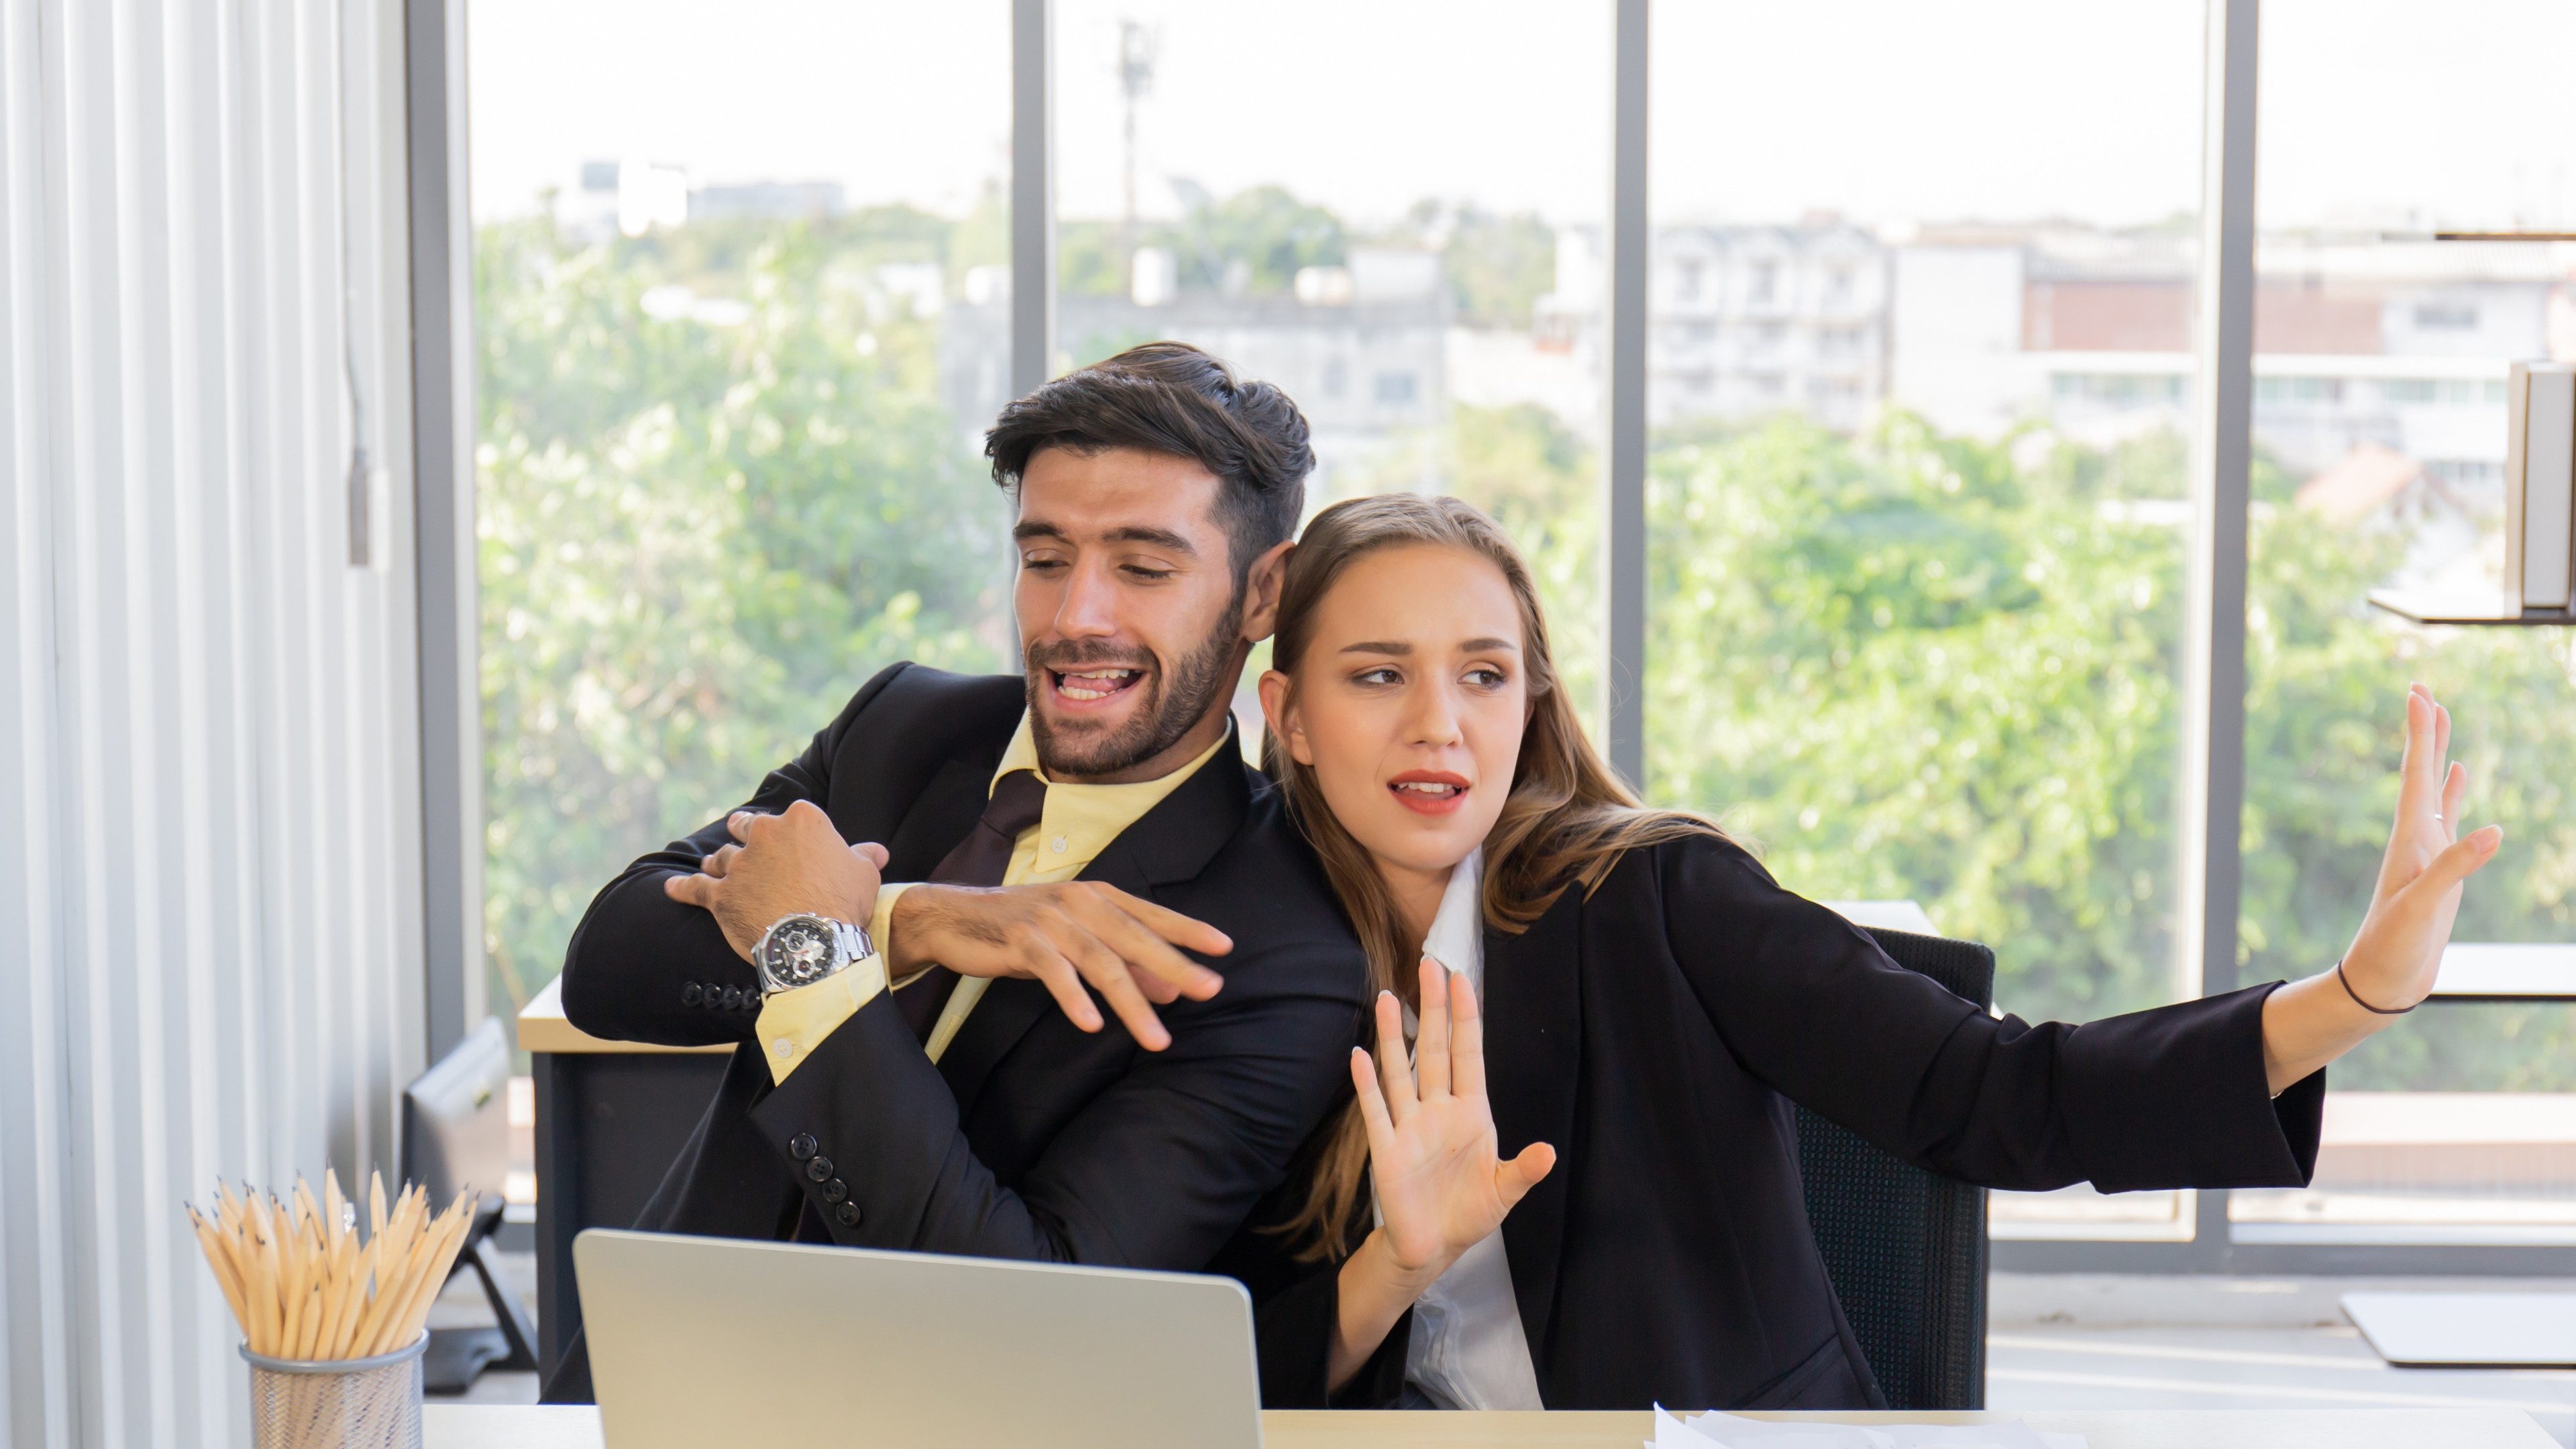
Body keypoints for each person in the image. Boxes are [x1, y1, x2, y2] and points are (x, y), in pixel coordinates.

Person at [1232, 492, 2501, 1411]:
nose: (1440, 727)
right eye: (1379, 675)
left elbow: (2002, 1099)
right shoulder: (1248, 974)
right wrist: (1395, 1266)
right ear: (1288, 717)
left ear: (1534, 702)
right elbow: (1222, 1375)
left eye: (1486, 675)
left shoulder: (1655, 900)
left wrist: (2352, 999)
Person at [538, 343, 1371, 1402]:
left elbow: (1027, 1307)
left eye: (1144, 567)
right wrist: (912, 921)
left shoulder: (1278, 950)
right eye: (1046, 556)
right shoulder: (905, 726)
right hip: (641, 1393)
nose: (1076, 618)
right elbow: (608, 968)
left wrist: (821, 954)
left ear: (1266, 591)